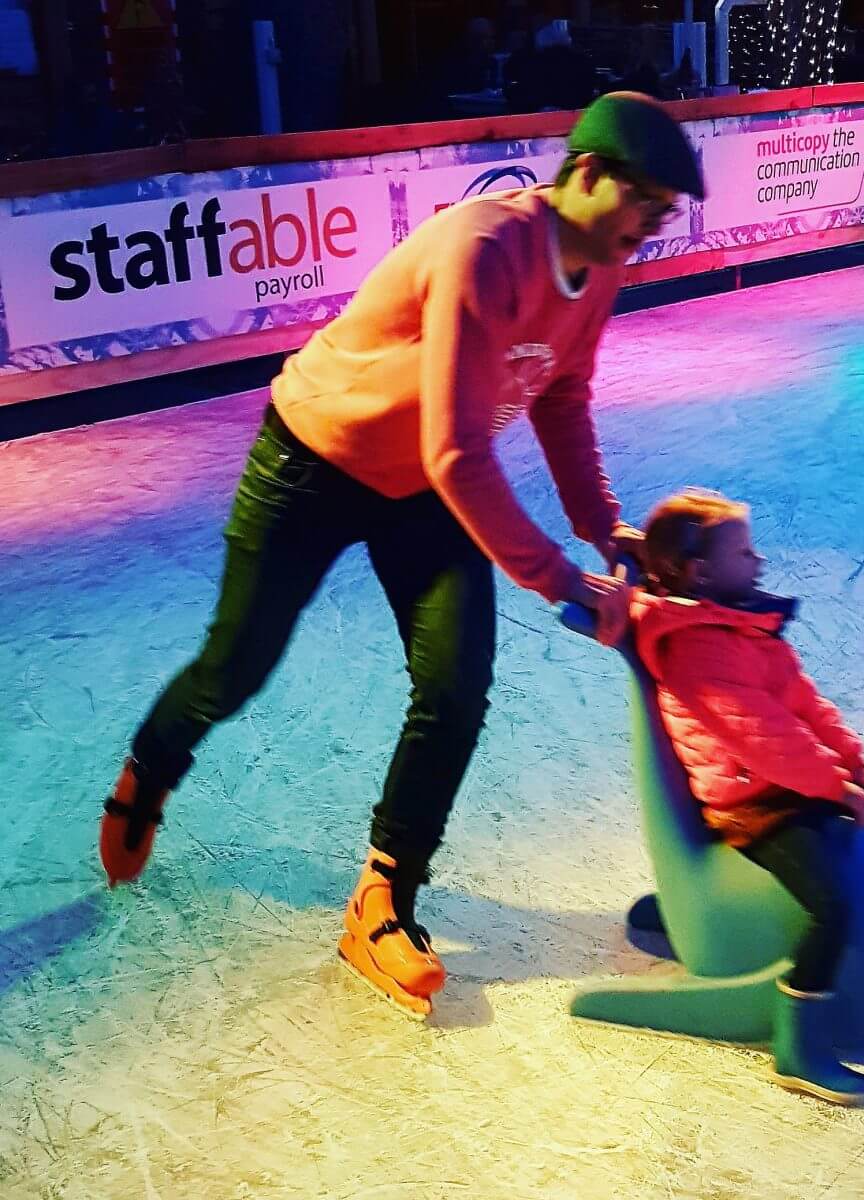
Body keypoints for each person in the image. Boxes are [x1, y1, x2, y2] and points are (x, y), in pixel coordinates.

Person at [99, 92, 706, 1019]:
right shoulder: (487, 249)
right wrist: (558, 575)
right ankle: (153, 761)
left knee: (456, 685)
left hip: (421, 493)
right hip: (315, 458)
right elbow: (457, 453)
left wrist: (602, 523)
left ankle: (384, 897)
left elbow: (562, 395)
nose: (652, 228)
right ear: (585, 173)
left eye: (665, 215)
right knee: (237, 666)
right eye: (647, 205)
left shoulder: (601, 267)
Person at [628, 489, 864, 1103]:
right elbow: (759, 737)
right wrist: (832, 784)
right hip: (755, 803)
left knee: (860, 840)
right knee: (834, 908)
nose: (759, 560)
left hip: (785, 785)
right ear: (700, 571)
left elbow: (804, 704)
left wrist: (853, 766)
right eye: (744, 551)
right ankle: (799, 1047)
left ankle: (677, 917)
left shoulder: (745, 626)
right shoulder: (697, 644)